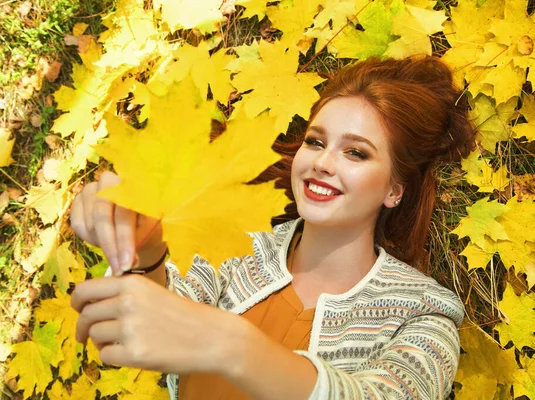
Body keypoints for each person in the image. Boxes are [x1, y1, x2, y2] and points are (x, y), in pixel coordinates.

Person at [69, 55, 476, 400]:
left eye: (355, 152)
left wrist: (232, 347)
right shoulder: (235, 246)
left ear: (394, 190)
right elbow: (142, 327)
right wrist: (144, 252)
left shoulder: (422, 315)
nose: (323, 162)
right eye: (315, 142)